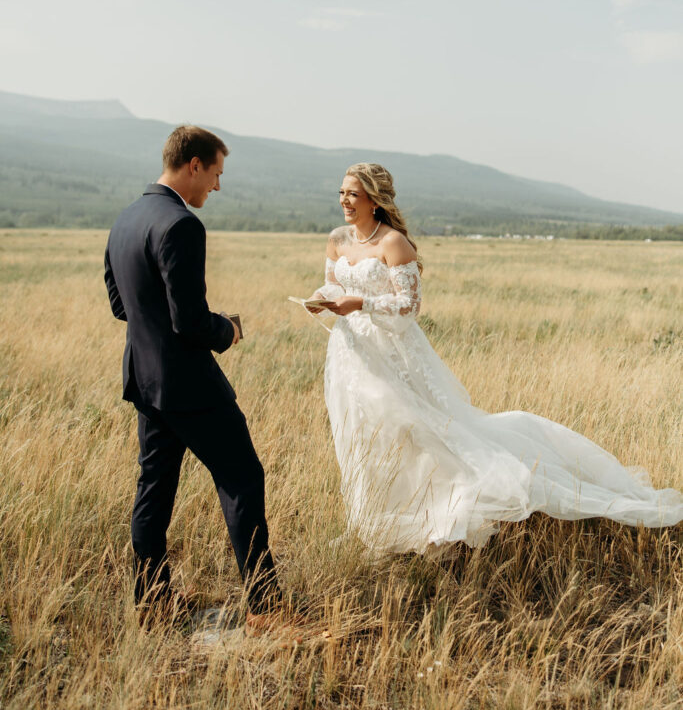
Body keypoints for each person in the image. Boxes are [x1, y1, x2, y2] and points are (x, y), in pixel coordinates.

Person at [306, 162, 683, 553]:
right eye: (341, 192)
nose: (344, 201)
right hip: (350, 353)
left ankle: (432, 514)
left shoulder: (394, 243)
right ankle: (372, 521)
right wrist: (321, 300)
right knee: (358, 434)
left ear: (374, 198)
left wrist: (362, 303)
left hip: (392, 354)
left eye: (352, 193)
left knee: (412, 431)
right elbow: (332, 285)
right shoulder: (337, 239)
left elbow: (409, 307)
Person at [104, 125, 282, 629]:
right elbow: (190, 322)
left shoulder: (126, 219)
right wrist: (228, 329)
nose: (217, 188)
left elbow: (122, 306)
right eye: (216, 175)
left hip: (146, 380)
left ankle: (151, 601)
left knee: (154, 488)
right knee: (243, 478)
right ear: (194, 165)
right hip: (189, 385)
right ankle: (266, 609)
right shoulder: (181, 225)